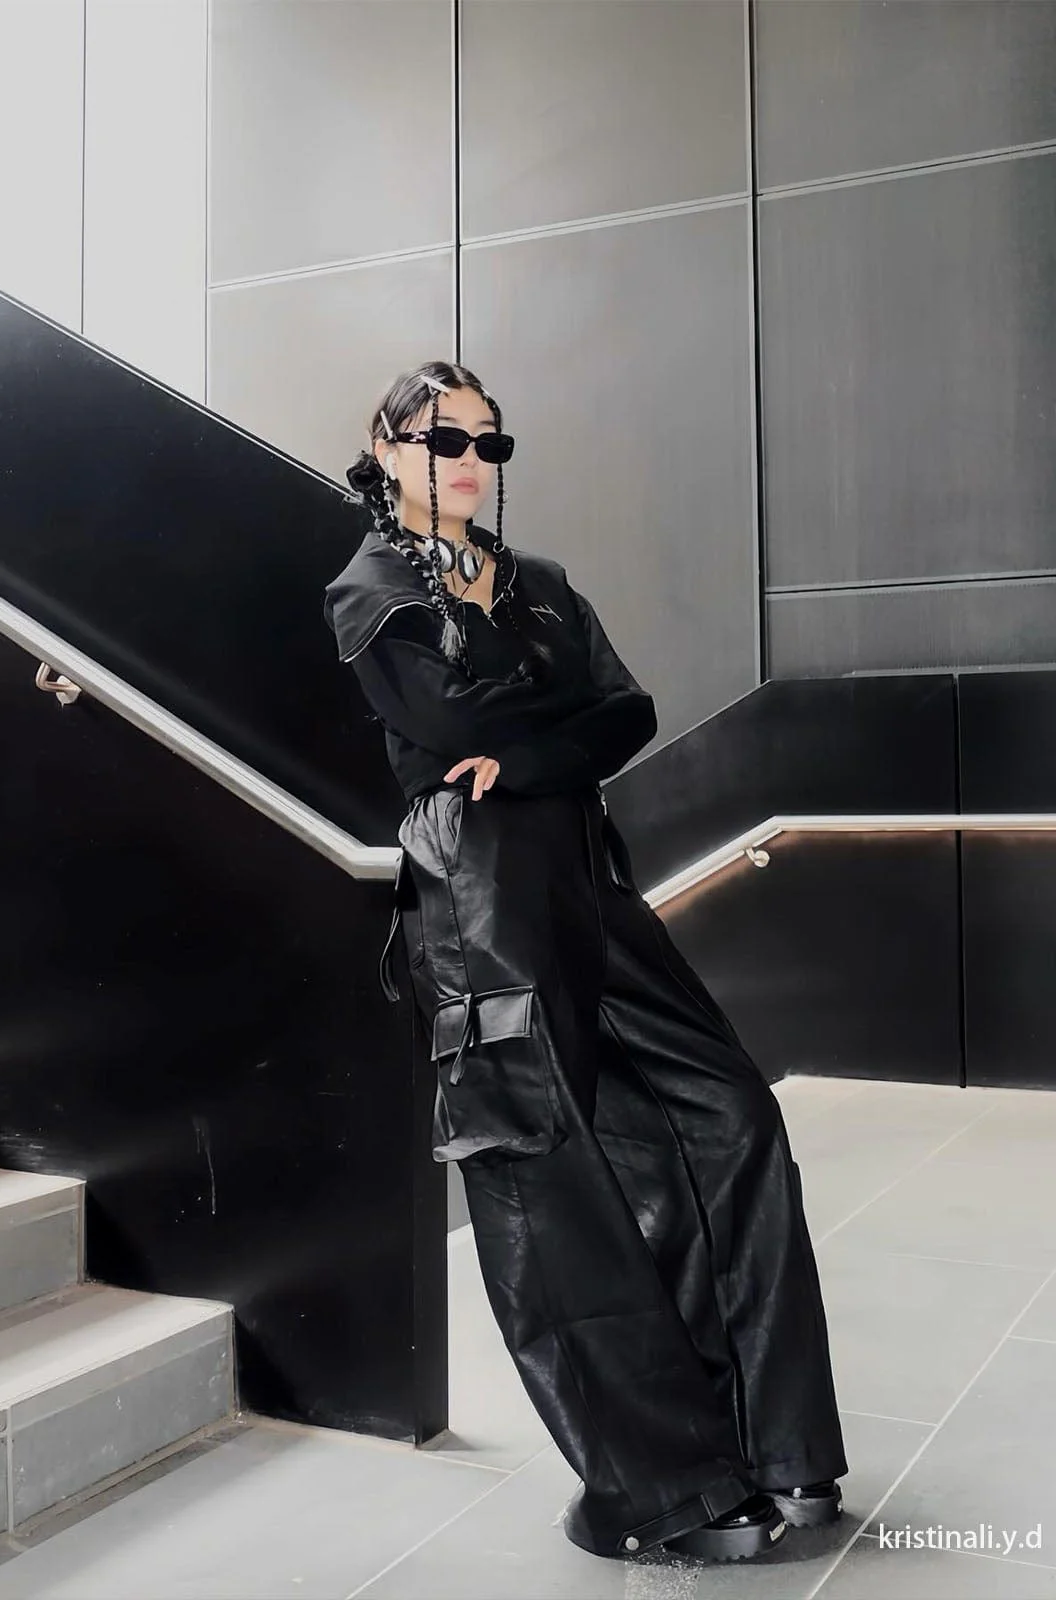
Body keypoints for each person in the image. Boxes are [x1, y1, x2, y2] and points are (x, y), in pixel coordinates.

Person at [322, 359, 848, 1564]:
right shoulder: (371, 588)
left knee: (732, 1113)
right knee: (542, 1177)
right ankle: (664, 1490)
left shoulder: (543, 585)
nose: (469, 461)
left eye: (489, 443)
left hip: (585, 874)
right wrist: (556, 731)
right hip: (475, 895)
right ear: (388, 448)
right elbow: (451, 727)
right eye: (444, 438)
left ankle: (777, 1448)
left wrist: (532, 753)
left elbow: (630, 712)